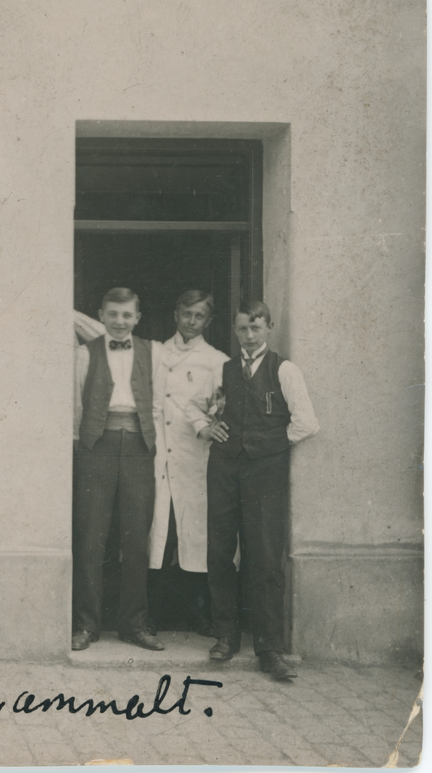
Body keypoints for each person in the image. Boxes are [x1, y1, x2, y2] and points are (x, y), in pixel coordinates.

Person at [187, 300, 319, 680]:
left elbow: (307, 423)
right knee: (220, 551)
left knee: (264, 555)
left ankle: (269, 649)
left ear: (269, 328)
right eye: (243, 328)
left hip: (265, 471)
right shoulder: (222, 369)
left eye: (256, 328)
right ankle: (226, 636)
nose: (249, 335)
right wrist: (205, 428)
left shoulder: (284, 369)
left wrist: (266, 445)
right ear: (234, 329)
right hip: (224, 469)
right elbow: (193, 406)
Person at [72, 287, 163, 652]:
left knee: (136, 540)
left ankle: (134, 625)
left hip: (139, 447)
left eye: (127, 315)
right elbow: (75, 407)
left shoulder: (153, 352)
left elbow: (159, 403)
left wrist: (152, 446)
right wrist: (81, 447)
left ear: (137, 318)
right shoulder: (84, 354)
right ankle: (86, 625)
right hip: (98, 446)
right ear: (101, 316)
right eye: (112, 314)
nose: (120, 321)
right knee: (90, 538)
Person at [147, 291, 229, 635]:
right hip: (158, 455)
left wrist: (210, 424)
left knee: (194, 535)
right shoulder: (156, 352)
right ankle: (151, 613)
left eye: (199, 316)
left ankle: (196, 612)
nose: (191, 321)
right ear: (175, 314)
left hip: (194, 458)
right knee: (159, 533)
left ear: (208, 321)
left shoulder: (217, 360)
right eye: (186, 314)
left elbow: (221, 408)